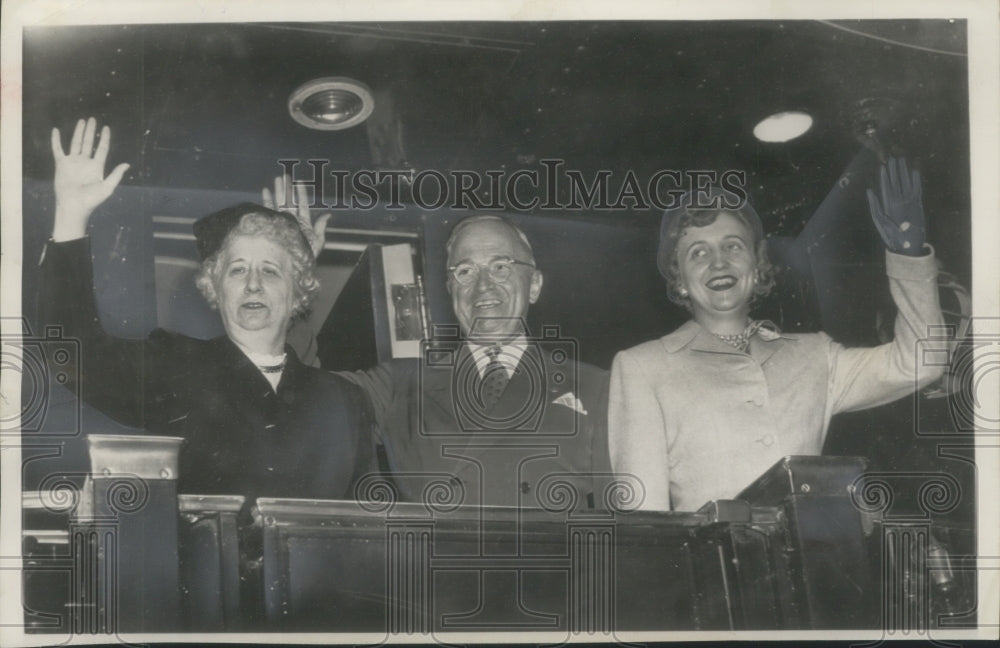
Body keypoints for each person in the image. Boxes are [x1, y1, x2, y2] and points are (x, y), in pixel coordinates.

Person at [39, 117, 376, 509]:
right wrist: (71, 214)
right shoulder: (176, 365)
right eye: (237, 269)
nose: (253, 284)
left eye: (270, 270)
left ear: (298, 288)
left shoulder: (344, 401)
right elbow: (74, 354)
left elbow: (370, 528)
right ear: (214, 287)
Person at [608, 159, 945, 511]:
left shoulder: (815, 355)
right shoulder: (644, 368)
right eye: (698, 253)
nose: (718, 262)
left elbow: (921, 363)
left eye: (733, 246)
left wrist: (909, 257)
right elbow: (647, 522)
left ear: (758, 261)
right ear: (679, 279)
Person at [329, 214, 611, 509]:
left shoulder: (596, 387)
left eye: (501, 267)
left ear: (535, 285)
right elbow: (307, 396)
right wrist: (293, 272)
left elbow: (621, 530)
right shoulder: (398, 385)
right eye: (465, 271)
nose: (483, 287)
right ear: (451, 289)